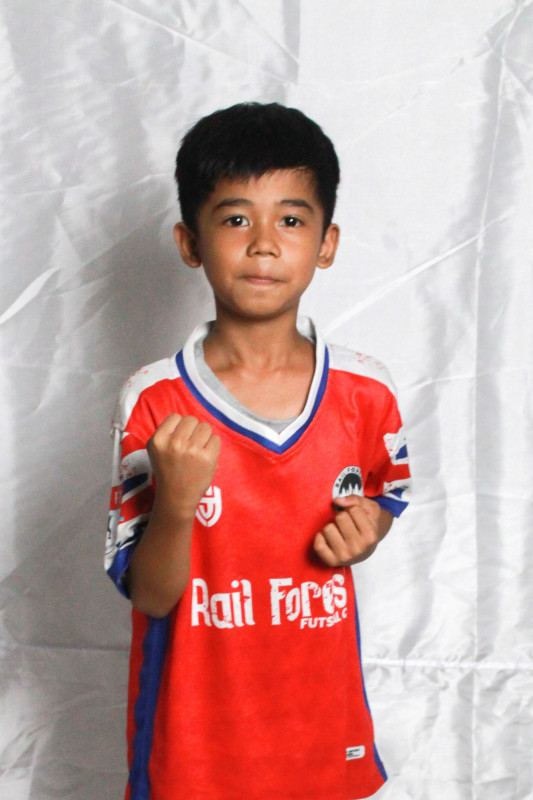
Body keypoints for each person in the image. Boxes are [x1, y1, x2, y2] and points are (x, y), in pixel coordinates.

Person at [105, 102, 411, 800]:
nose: (264, 244)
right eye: (236, 219)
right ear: (190, 242)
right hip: (195, 744)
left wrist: (368, 530)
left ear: (327, 242)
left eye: (292, 220)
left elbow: (382, 497)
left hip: (319, 727)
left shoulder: (366, 391)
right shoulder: (154, 401)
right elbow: (150, 594)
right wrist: (175, 505)